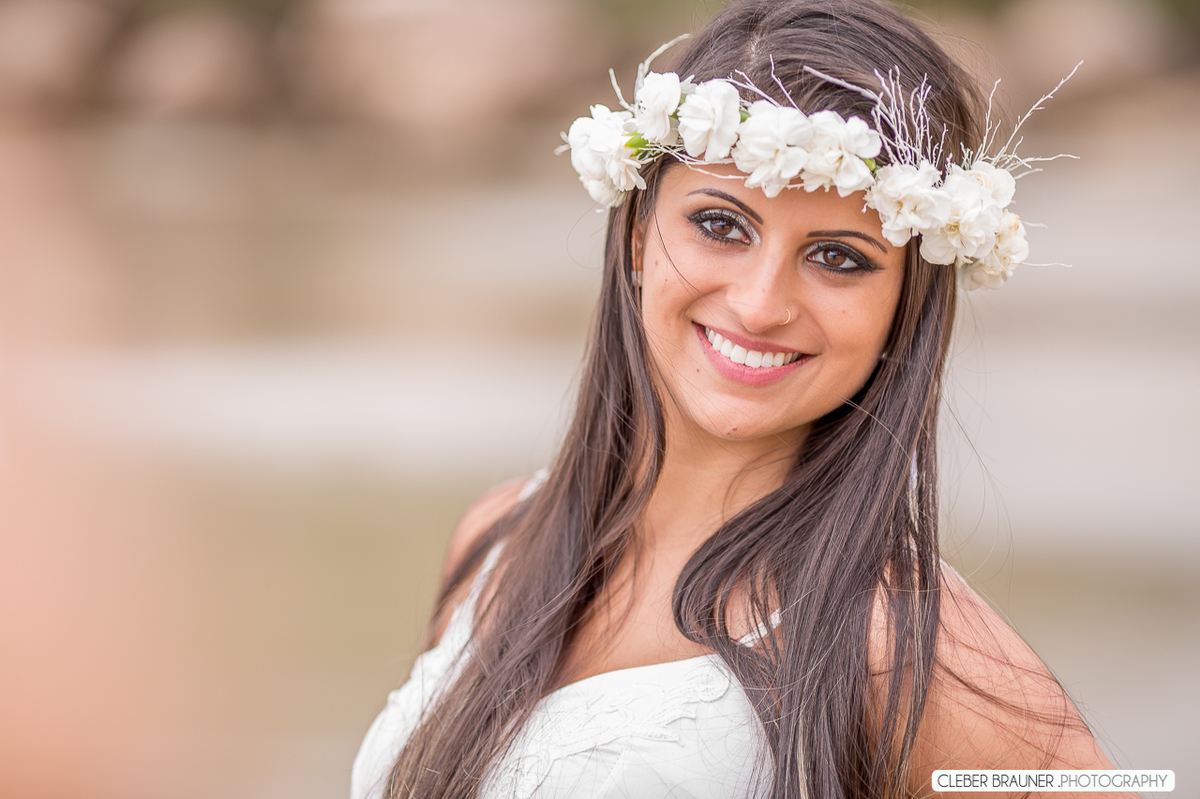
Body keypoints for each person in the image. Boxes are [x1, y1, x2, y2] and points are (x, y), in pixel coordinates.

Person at [351, 1, 1132, 796]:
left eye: (838, 256)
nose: (761, 304)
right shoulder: (498, 539)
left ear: (907, 301)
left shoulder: (895, 643)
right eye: (722, 225)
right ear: (635, 237)